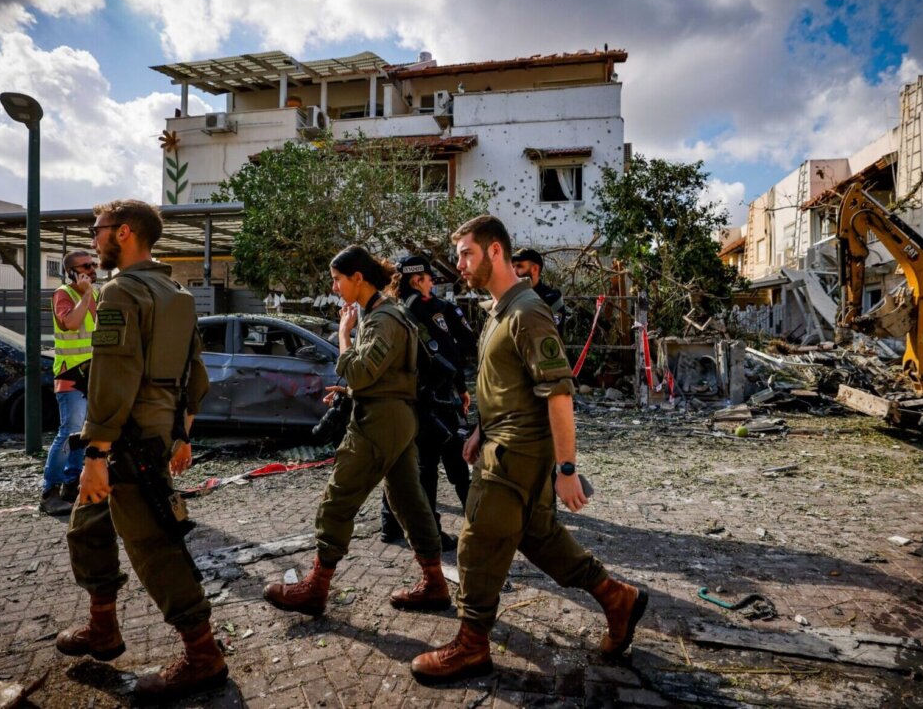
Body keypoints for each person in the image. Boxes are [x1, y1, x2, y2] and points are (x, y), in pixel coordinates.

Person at [411, 216, 648, 685]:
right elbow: (505, 384)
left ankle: (472, 645)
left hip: (517, 450)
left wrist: (566, 469)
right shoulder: (499, 310)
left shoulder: (527, 312)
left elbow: (558, 394)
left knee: (477, 540)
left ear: (494, 251)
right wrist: (479, 427)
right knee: (537, 535)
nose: (459, 264)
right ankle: (616, 597)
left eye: (466, 254)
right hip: (500, 439)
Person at [57, 199, 226, 702]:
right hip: (153, 433)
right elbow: (196, 374)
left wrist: (95, 455)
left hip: (126, 438)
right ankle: (102, 627)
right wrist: (183, 434)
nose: (93, 238)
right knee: (88, 526)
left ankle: (203, 654)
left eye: (98, 229)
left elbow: (113, 376)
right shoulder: (175, 292)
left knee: (154, 546)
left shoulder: (121, 293)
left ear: (123, 233)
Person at [264, 246, 449, 617]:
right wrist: (349, 390)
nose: (334, 287)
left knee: (338, 499)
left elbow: (361, 371)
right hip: (395, 416)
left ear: (358, 279)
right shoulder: (387, 313)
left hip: (379, 422)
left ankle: (316, 588)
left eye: (337, 280)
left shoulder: (382, 319)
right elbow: (381, 375)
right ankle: (435, 582)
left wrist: (344, 336)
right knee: (408, 501)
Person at [379, 254, 477, 551]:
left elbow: (455, 349)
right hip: (431, 399)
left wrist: (459, 387)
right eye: (429, 277)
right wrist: (457, 387)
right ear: (416, 279)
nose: (433, 282)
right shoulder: (414, 310)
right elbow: (454, 351)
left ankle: (391, 524)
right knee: (432, 465)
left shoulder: (399, 310)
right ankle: (433, 529)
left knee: (408, 462)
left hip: (421, 398)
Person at [39, 250, 99, 516]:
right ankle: (49, 491)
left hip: (92, 373)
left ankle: (72, 486)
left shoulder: (97, 294)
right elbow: (71, 324)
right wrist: (86, 293)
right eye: (85, 266)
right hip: (70, 373)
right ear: (72, 271)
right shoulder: (64, 294)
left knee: (83, 435)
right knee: (69, 431)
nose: (92, 268)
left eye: (93, 264)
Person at [511, 247, 566, 335]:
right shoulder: (511, 295)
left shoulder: (551, 298)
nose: (514, 272)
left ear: (535, 269)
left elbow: (553, 333)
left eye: (519, 266)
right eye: (512, 267)